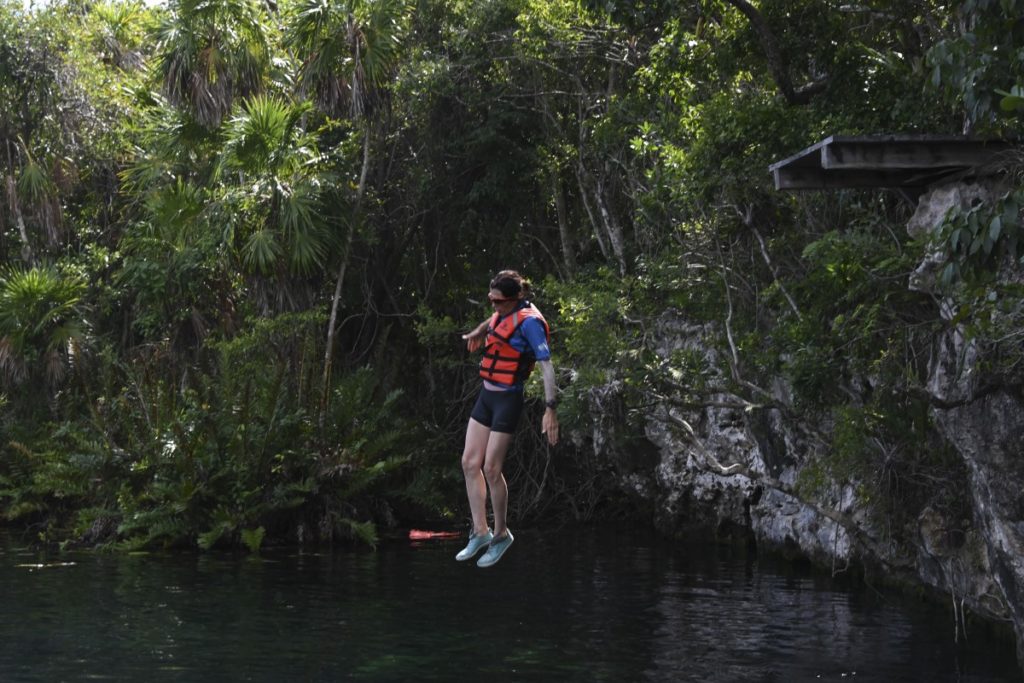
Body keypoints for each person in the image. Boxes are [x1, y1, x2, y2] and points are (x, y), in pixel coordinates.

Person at [456, 270, 559, 567]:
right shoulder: (503, 310)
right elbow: (495, 321)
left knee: (491, 467)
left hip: (507, 400)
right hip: (486, 396)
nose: (493, 305)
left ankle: (501, 534)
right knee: (469, 462)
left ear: (515, 299)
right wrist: (479, 331)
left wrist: (550, 408)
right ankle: (480, 532)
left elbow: (547, 367)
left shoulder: (530, 325)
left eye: (497, 301)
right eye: (490, 298)